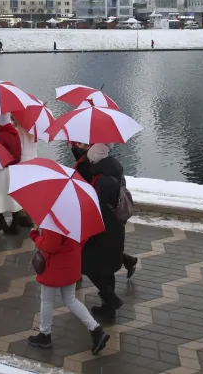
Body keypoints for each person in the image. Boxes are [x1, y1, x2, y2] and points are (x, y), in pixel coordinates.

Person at [28, 226, 110, 355]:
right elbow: (83, 239)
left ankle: (45, 334)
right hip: (71, 261)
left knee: (47, 300)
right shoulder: (75, 216)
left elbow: (51, 246)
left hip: (54, 265)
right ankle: (96, 329)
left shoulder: (53, 219)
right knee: (70, 299)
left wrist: (35, 236)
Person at [81, 143, 126, 320]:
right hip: (115, 228)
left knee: (88, 265)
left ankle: (111, 299)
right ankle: (109, 308)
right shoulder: (116, 172)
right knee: (108, 269)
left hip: (102, 230)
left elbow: (95, 207)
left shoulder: (101, 181)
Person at [84, 144, 138, 278]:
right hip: (115, 222)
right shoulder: (115, 171)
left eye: (91, 160)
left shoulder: (102, 180)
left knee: (102, 256)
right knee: (110, 250)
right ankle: (128, 261)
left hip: (106, 223)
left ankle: (109, 295)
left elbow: (98, 205)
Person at [0, 113, 22, 235]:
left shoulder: (1, 135)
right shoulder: (14, 132)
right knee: (13, 198)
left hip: (4, 169)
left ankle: (2, 222)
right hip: (15, 168)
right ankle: (14, 223)